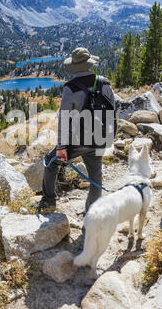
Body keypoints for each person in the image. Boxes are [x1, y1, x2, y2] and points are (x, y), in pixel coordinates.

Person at [37, 47, 116, 214]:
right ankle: (92, 215)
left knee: (50, 163)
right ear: (89, 63)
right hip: (99, 137)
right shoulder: (105, 83)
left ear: (74, 66)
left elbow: (64, 119)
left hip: (77, 140)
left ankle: (48, 202)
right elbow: (112, 110)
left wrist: (61, 147)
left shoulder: (70, 88)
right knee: (96, 178)